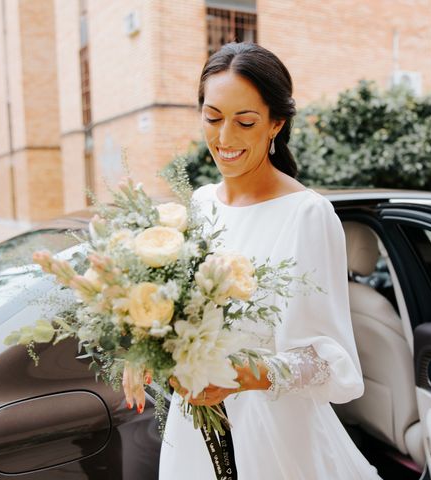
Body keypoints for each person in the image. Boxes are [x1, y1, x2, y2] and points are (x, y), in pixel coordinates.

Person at [125, 42, 381, 479]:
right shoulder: (201, 203)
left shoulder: (307, 215)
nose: (224, 139)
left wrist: (246, 374)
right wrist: (144, 345)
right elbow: (174, 308)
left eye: (245, 122)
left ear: (276, 124)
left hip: (275, 441)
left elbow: (331, 364)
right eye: (212, 118)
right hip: (193, 435)